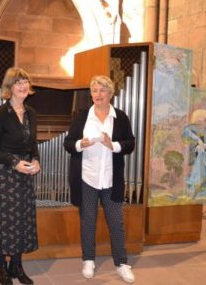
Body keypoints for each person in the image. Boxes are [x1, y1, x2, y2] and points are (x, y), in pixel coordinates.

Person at [63, 75, 135, 283]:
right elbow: (68, 143)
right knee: (88, 221)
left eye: (102, 90)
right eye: (94, 91)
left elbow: (130, 143)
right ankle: (88, 260)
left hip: (111, 179)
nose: (98, 95)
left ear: (110, 93)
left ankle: (121, 263)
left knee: (116, 222)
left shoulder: (120, 117)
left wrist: (114, 145)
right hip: (86, 177)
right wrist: (80, 144)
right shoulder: (82, 116)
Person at [0, 67, 40, 285]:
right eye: (18, 82)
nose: (23, 86)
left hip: (24, 176)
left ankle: (16, 265)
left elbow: (32, 143)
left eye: (25, 81)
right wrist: (14, 163)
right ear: (10, 88)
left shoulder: (31, 113)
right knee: (4, 222)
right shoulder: (1, 113)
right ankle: (1, 266)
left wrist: (35, 159)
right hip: (4, 174)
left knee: (21, 220)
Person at [182, 109, 206, 199]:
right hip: (200, 157)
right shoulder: (197, 128)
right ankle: (193, 184)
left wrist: (203, 146)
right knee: (199, 152)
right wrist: (197, 139)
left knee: (201, 153)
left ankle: (193, 183)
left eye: (201, 121)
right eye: (197, 121)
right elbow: (186, 131)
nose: (199, 123)